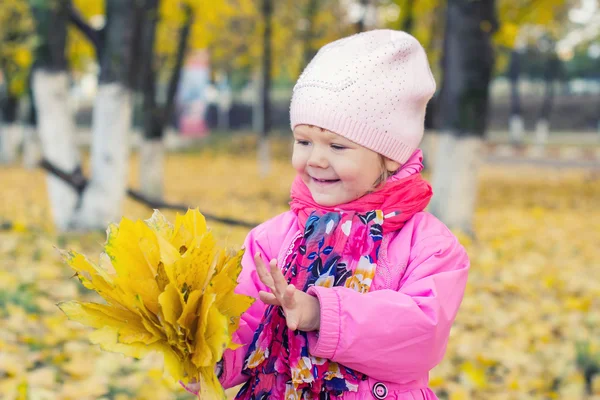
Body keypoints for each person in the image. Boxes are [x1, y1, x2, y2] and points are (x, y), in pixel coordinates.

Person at [221, 29, 469, 400]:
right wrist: (210, 356)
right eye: (303, 141)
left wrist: (323, 314)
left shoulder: (428, 246)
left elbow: (420, 334)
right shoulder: (271, 240)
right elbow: (245, 324)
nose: (316, 159)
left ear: (389, 155)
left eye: (338, 145)